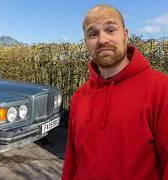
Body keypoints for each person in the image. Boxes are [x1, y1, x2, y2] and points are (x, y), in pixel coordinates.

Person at [62, 4, 168, 180]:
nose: (102, 39)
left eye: (110, 30)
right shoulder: (79, 96)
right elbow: (72, 159)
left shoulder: (161, 89)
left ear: (125, 35)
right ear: (86, 42)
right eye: (93, 34)